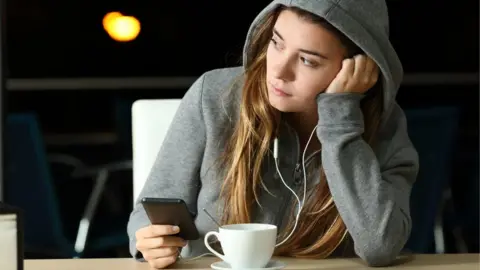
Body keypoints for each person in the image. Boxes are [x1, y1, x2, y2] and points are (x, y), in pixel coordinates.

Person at [127, 0, 419, 268]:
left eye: (308, 61)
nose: (278, 71)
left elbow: (380, 246)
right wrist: (150, 241)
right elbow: (149, 210)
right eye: (276, 44)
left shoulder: (385, 128)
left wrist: (341, 122)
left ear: (358, 70)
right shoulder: (214, 96)